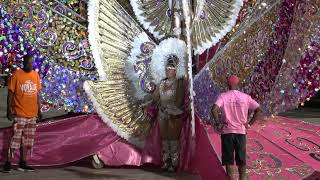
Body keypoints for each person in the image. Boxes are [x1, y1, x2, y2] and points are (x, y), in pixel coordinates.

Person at [211, 75, 261, 180]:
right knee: (241, 160)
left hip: (227, 132)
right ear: (238, 83)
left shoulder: (223, 96)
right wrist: (249, 124)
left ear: (227, 84)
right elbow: (258, 109)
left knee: (229, 160)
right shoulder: (245, 97)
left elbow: (214, 109)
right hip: (241, 132)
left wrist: (218, 123)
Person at [145, 55, 185, 172]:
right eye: (166, 69)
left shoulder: (179, 83)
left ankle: (174, 163)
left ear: (175, 71)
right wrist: (148, 98)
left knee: (173, 139)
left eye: (170, 69)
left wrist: (170, 110)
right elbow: (155, 97)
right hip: (162, 114)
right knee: (164, 139)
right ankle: (165, 161)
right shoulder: (162, 83)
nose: (167, 71)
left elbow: (179, 100)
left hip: (174, 115)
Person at [3, 55, 42, 173]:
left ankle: (23, 163)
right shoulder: (17, 74)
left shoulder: (35, 75)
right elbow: (10, 94)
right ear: (24, 63)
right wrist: (8, 110)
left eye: (32, 63)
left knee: (27, 140)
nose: (30, 65)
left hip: (32, 114)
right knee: (15, 138)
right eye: (28, 63)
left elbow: (37, 94)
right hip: (19, 113)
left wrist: (39, 110)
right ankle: (8, 162)